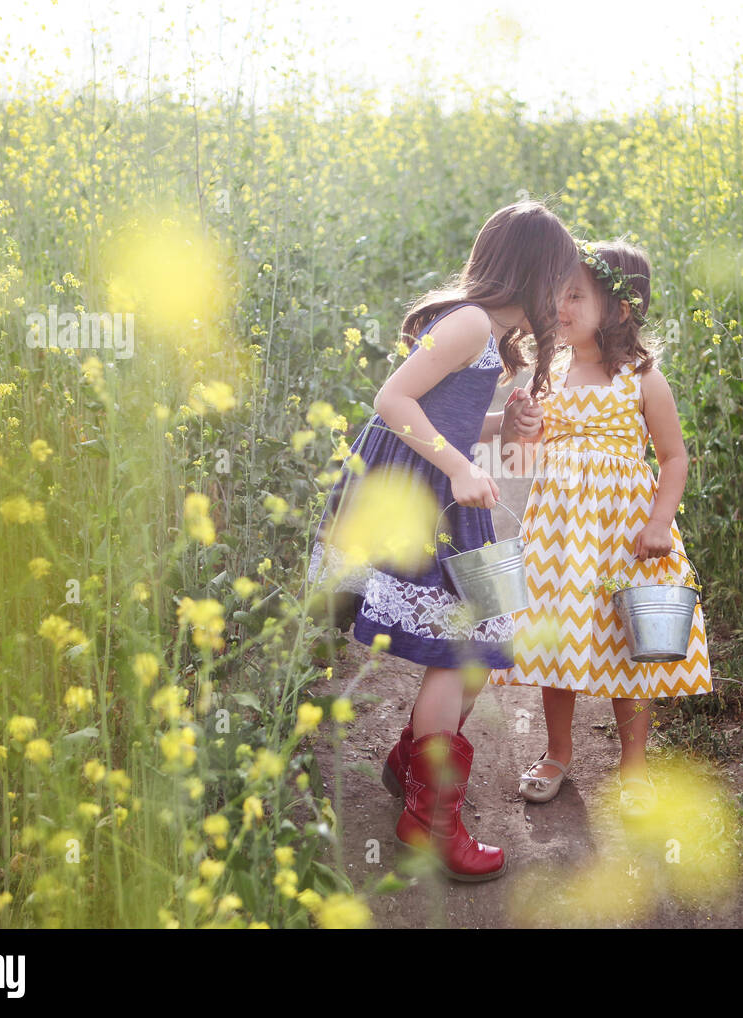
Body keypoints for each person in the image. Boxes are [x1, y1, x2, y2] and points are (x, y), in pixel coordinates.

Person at [308, 201, 573, 880]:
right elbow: (391, 400)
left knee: (484, 646)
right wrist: (459, 467)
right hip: (421, 500)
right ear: (533, 274)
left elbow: (441, 415)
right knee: (461, 651)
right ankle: (430, 820)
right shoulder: (469, 322)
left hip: (446, 496)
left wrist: (500, 426)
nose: (564, 299)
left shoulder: (484, 331)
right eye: (560, 282)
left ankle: (414, 764)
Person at [487, 239, 712, 819]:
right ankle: (558, 751)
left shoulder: (640, 378)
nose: (560, 305)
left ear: (619, 309)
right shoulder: (551, 372)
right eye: (558, 293)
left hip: (622, 533)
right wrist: (519, 427)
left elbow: (673, 458)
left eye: (575, 295)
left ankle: (633, 765)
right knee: (554, 634)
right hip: (559, 533)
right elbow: (520, 462)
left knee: (629, 644)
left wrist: (661, 522)